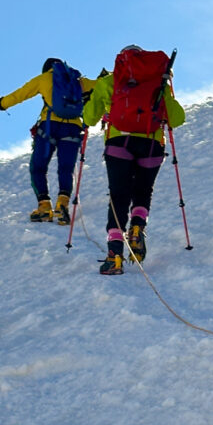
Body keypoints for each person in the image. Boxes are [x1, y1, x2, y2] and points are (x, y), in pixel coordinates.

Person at [82, 46, 186, 275]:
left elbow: (89, 118)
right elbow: (178, 118)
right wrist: (165, 91)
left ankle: (114, 256)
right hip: (151, 144)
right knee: (143, 191)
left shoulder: (109, 81)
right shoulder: (158, 83)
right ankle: (138, 227)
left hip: (119, 144)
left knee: (118, 196)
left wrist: (92, 101)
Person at [0, 59, 96, 225]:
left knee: (38, 167)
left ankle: (44, 207)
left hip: (49, 126)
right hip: (73, 128)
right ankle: (62, 205)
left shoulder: (44, 79)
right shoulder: (78, 81)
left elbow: (20, 95)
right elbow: (100, 86)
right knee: (66, 169)